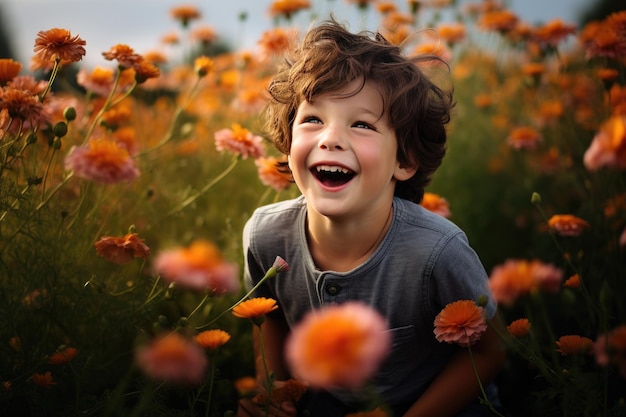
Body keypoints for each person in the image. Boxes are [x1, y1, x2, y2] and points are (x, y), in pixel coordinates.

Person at [238, 19, 505, 417]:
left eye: (361, 124)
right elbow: (269, 315)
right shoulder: (265, 236)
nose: (330, 138)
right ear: (289, 139)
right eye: (312, 119)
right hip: (327, 400)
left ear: (404, 160)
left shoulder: (437, 252)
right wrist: (274, 391)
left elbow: (490, 352)